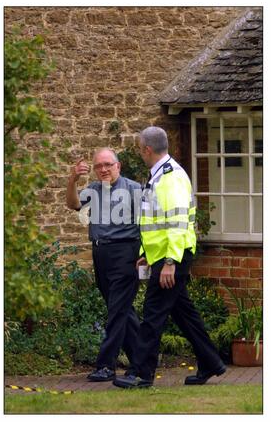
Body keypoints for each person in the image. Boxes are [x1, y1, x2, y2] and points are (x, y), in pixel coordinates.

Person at [113, 126, 226, 388]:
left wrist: (169, 263)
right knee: (183, 313)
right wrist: (146, 254)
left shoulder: (170, 177)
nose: (140, 154)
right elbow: (156, 222)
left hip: (172, 256)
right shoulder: (161, 176)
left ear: (147, 150)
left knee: (152, 315)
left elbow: (176, 223)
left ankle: (141, 374)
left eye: (140, 149)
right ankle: (211, 362)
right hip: (166, 255)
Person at [66, 148, 141, 382]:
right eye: (98, 166)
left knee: (118, 310)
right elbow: (73, 204)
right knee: (120, 309)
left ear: (118, 165)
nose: (103, 169)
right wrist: (73, 179)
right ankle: (143, 359)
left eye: (108, 164)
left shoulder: (134, 189)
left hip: (126, 252)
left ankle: (106, 365)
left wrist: (146, 254)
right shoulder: (94, 190)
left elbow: (149, 225)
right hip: (100, 252)